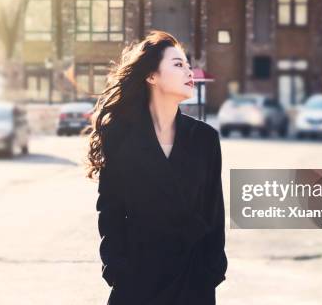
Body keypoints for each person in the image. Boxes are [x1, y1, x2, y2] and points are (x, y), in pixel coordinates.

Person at [84, 31, 228, 305]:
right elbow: (110, 210)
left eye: (188, 65)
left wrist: (211, 271)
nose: (189, 71)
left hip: (192, 280)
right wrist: (116, 269)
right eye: (177, 64)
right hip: (137, 280)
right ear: (151, 76)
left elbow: (214, 212)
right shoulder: (120, 136)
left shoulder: (205, 139)